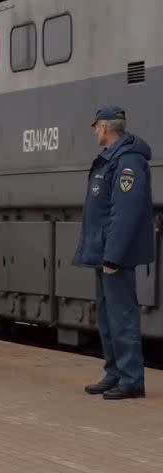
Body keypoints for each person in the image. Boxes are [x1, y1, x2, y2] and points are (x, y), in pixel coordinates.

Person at [75, 106, 153, 400]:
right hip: (103, 251)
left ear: (105, 128)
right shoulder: (112, 159)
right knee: (107, 316)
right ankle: (115, 372)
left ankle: (132, 378)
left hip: (113, 255)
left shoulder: (128, 161)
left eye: (95, 126)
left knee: (122, 316)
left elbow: (126, 212)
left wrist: (114, 256)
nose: (94, 131)